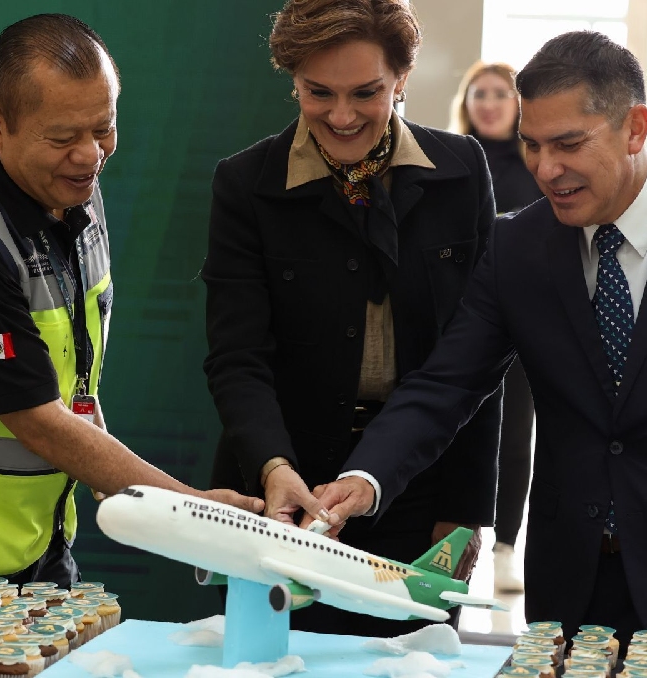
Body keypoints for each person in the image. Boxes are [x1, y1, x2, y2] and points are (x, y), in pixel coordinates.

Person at [314, 31, 647, 660]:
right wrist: (365, 477)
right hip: (571, 589)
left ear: (634, 128)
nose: (545, 169)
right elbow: (447, 383)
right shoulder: (517, 250)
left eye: (568, 144)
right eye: (531, 145)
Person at [0, 14, 264, 588]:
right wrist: (191, 508)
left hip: (41, 533)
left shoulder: (75, 196)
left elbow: (72, 378)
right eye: (63, 137)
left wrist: (113, 471)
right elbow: (36, 420)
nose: (90, 156)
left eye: (104, 129)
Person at [202, 0, 501, 638]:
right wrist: (273, 468)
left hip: (419, 481)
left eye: (366, 93)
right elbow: (237, 357)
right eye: (318, 93)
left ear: (402, 79)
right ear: (293, 81)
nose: (341, 116)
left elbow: (475, 359)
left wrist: (465, 508)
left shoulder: (461, 173)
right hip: (278, 492)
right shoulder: (245, 184)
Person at [450, 60, 544, 594]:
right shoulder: (449, 161)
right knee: (454, 427)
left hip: (525, 317)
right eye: (478, 92)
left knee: (515, 436)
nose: (488, 102)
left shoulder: (537, 164)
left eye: (499, 93)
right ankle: (456, 542)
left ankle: (507, 546)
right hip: (462, 318)